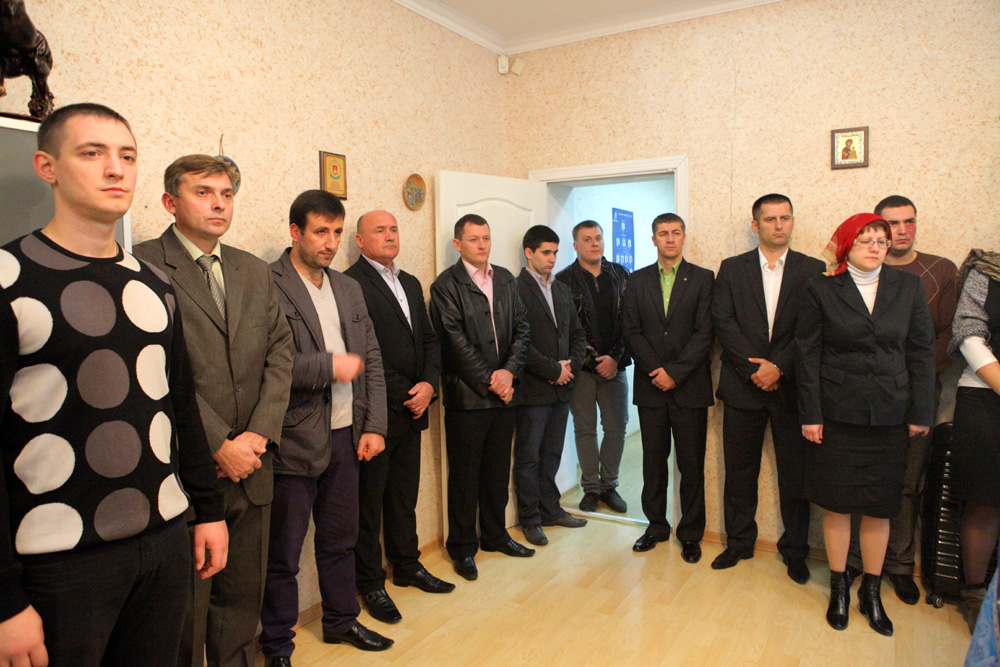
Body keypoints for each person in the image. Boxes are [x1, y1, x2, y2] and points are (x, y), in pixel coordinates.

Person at [0, 103, 226, 667]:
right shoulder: (8, 279)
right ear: (47, 167)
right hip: (58, 561)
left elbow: (180, 408)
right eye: (92, 153)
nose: (115, 169)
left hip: (164, 542)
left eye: (127, 156)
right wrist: (4, 599)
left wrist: (208, 509)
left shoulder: (155, 284)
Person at [133, 155, 294, 667]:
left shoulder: (252, 269)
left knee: (241, 602)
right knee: (185, 612)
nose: (218, 203)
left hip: (254, 464)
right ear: (170, 201)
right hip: (187, 468)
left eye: (226, 194)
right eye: (203, 192)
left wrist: (258, 435)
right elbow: (155, 369)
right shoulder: (141, 265)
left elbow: (281, 352)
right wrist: (219, 444)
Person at [262, 191, 392, 661]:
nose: (331, 242)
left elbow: (370, 357)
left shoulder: (348, 287)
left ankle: (340, 621)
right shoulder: (268, 282)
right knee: (283, 554)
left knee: (340, 540)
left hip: (347, 435)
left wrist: (374, 425)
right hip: (294, 438)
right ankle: (277, 643)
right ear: (295, 232)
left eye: (336, 232)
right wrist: (328, 366)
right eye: (320, 231)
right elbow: (264, 364)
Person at [796, 213, 935, 636]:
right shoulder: (822, 288)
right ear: (846, 246)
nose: (875, 247)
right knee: (837, 503)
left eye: (881, 240)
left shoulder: (908, 287)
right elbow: (807, 354)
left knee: (880, 505)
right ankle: (839, 587)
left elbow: (921, 351)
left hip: (891, 415)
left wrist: (921, 412)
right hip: (837, 415)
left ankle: (871, 592)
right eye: (865, 240)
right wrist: (811, 414)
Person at [845, 195, 958, 604]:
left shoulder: (940, 270)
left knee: (906, 483)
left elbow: (948, 333)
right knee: (857, 479)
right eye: (892, 224)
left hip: (917, 391)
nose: (902, 230)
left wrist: (912, 376)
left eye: (909, 221)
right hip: (862, 395)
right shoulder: (855, 271)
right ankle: (853, 561)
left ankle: (899, 565)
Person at [345, 210, 453, 626]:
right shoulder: (351, 284)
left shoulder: (409, 281)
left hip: (414, 409)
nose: (389, 236)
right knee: (368, 504)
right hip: (376, 414)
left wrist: (428, 385)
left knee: (404, 496)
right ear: (359, 240)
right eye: (379, 230)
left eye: (393, 229)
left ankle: (407, 564)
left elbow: (429, 339)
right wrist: (408, 392)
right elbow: (361, 353)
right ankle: (371, 582)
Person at [711, 194, 825, 582]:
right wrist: (753, 369)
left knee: (796, 476)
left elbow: (812, 329)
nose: (779, 225)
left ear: (792, 221)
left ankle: (795, 551)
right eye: (770, 219)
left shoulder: (813, 269)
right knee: (739, 472)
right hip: (742, 387)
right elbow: (723, 322)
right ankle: (739, 543)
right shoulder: (732, 268)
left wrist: (778, 367)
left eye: (785, 218)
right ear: (755, 224)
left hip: (792, 390)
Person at [430, 214, 532, 582]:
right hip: (468, 398)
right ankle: (462, 547)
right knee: (465, 477)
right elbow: (453, 342)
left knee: (496, 473)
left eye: (486, 238)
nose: (482, 245)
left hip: (505, 397)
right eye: (474, 239)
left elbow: (522, 329)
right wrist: (492, 379)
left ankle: (494, 535)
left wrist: (509, 373)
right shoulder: (445, 286)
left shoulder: (505, 279)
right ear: (458, 244)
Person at [622, 213, 714, 561]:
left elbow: (705, 333)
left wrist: (674, 372)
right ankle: (656, 527)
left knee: (691, 466)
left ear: (684, 237)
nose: (670, 238)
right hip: (651, 389)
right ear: (654, 239)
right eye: (663, 233)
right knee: (653, 464)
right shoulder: (637, 280)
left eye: (676, 232)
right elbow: (631, 331)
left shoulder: (703, 278)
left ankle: (690, 534)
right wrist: (656, 371)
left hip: (690, 388)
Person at [514, 225, 588, 547]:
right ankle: (530, 518)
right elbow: (519, 342)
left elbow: (578, 334)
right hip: (533, 389)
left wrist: (570, 367)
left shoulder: (561, 289)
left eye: (555, 252)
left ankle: (551, 509)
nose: (552, 258)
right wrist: (553, 370)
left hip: (562, 387)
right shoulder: (515, 288)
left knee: (552, 454)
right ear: (529, 253)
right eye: (546, 252)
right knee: (529, 456)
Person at [555, 220, 630, 514]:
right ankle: (591, 489)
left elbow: (630, 323)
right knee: (585, 430)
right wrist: (592, 359)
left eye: (598, 237)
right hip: (581, 371)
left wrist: (614, 358)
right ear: (576, 246)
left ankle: (609, 486)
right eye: (587, 239)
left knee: (616, 428)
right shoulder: (563, 280)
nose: (594, 243)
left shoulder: (621, 275)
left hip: (616, 367)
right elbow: (566, 330)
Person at [949, 249, 1000, 633]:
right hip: (985, 396)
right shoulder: (986, 270)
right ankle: (976, 597)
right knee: (986, 499)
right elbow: (968, 332)